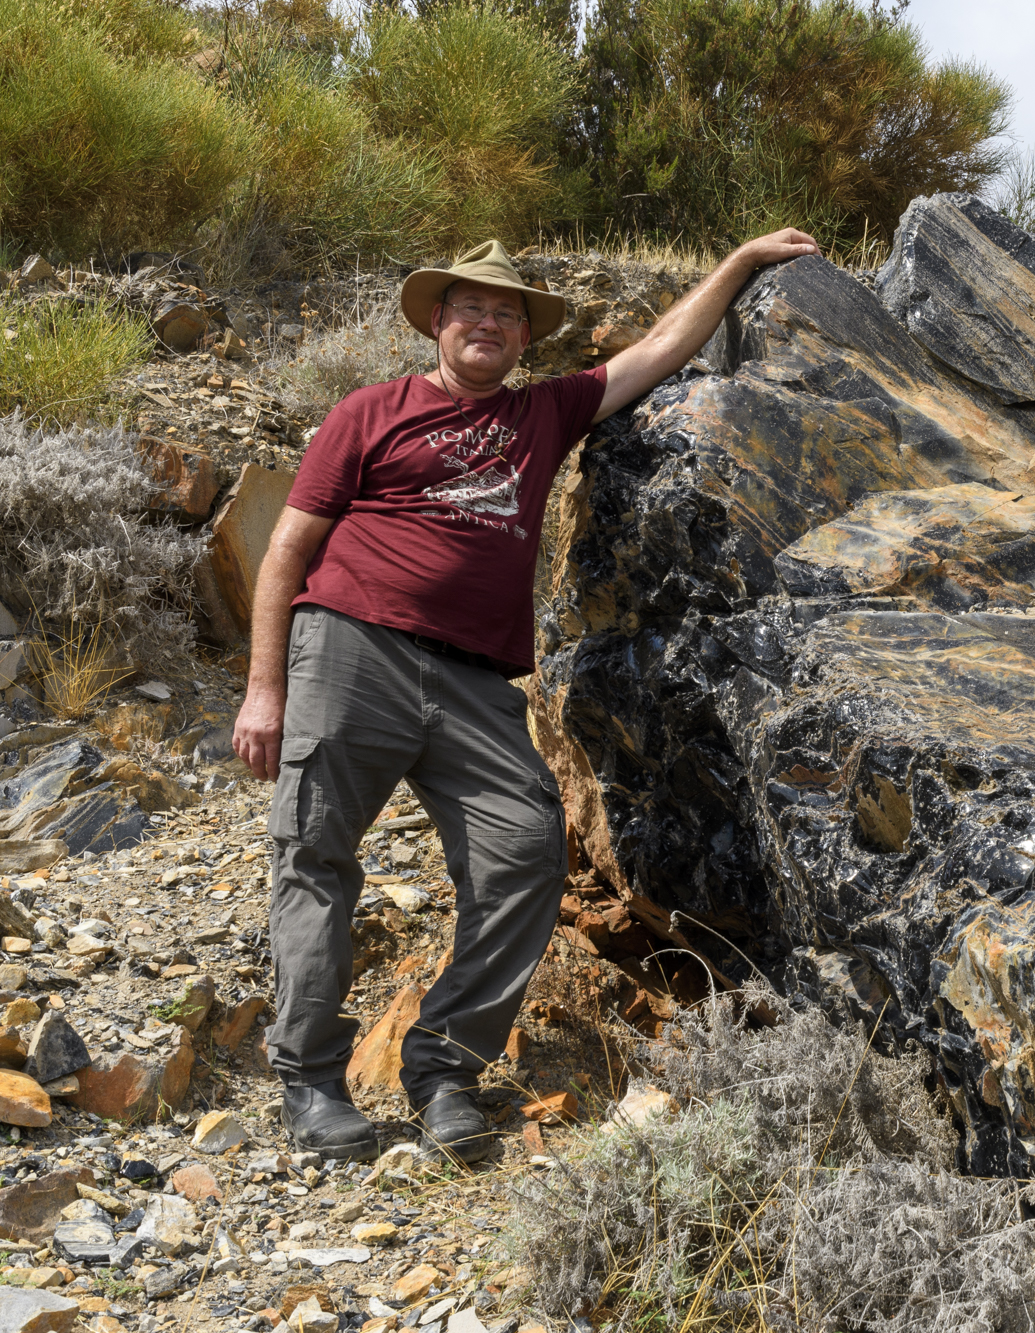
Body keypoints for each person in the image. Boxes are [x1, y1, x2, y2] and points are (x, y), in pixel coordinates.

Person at [231, 229, 819, 1163]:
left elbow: (660, 349)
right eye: (472, 307)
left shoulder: (546, 413)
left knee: (529, 850)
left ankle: (444, 1066)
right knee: (316, 853)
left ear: (523, 337)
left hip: (475, 684)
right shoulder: (370, 411)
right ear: (437, 320)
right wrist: (265, 688)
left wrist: (739, 263)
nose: (489, 323)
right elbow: (286, 551)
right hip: (352, 649)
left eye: (507, 313)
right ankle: (309, 1082)